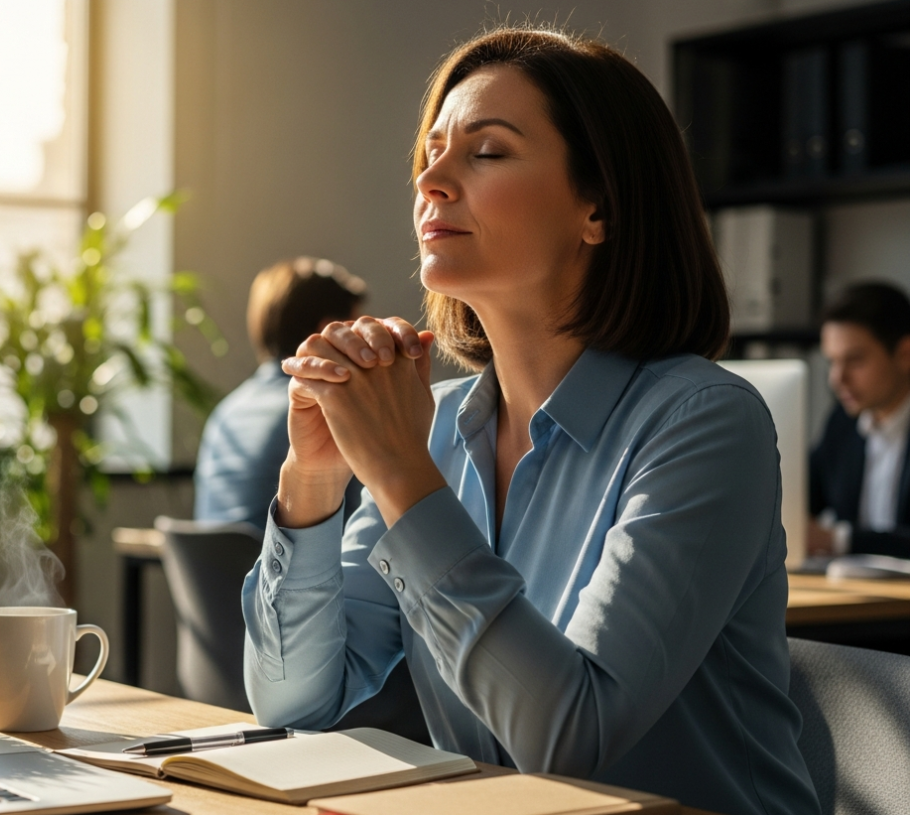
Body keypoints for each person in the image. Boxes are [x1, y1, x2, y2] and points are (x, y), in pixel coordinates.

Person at [240, 28, 819, 815]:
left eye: (487, 152)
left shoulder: (703, 420)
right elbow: (293, 702)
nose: (432, 180)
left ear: (599, 208)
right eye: (432, 152)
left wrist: (400, 473)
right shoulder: (436, 426)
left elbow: (568, 738)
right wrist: (314, 477)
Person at [194, 257, 366, 529]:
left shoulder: (227, 411)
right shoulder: (320, 410)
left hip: (214, 571)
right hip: (287, 567)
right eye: (354, 328)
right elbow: (364, 527)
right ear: (328, 331)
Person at [809, 282, 910, 558]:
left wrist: (838, 539)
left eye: (854, 361)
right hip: (858, 591)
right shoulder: (842, 423)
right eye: (832, 362)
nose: (837, 379)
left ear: (905, 354)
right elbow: (803, 496)